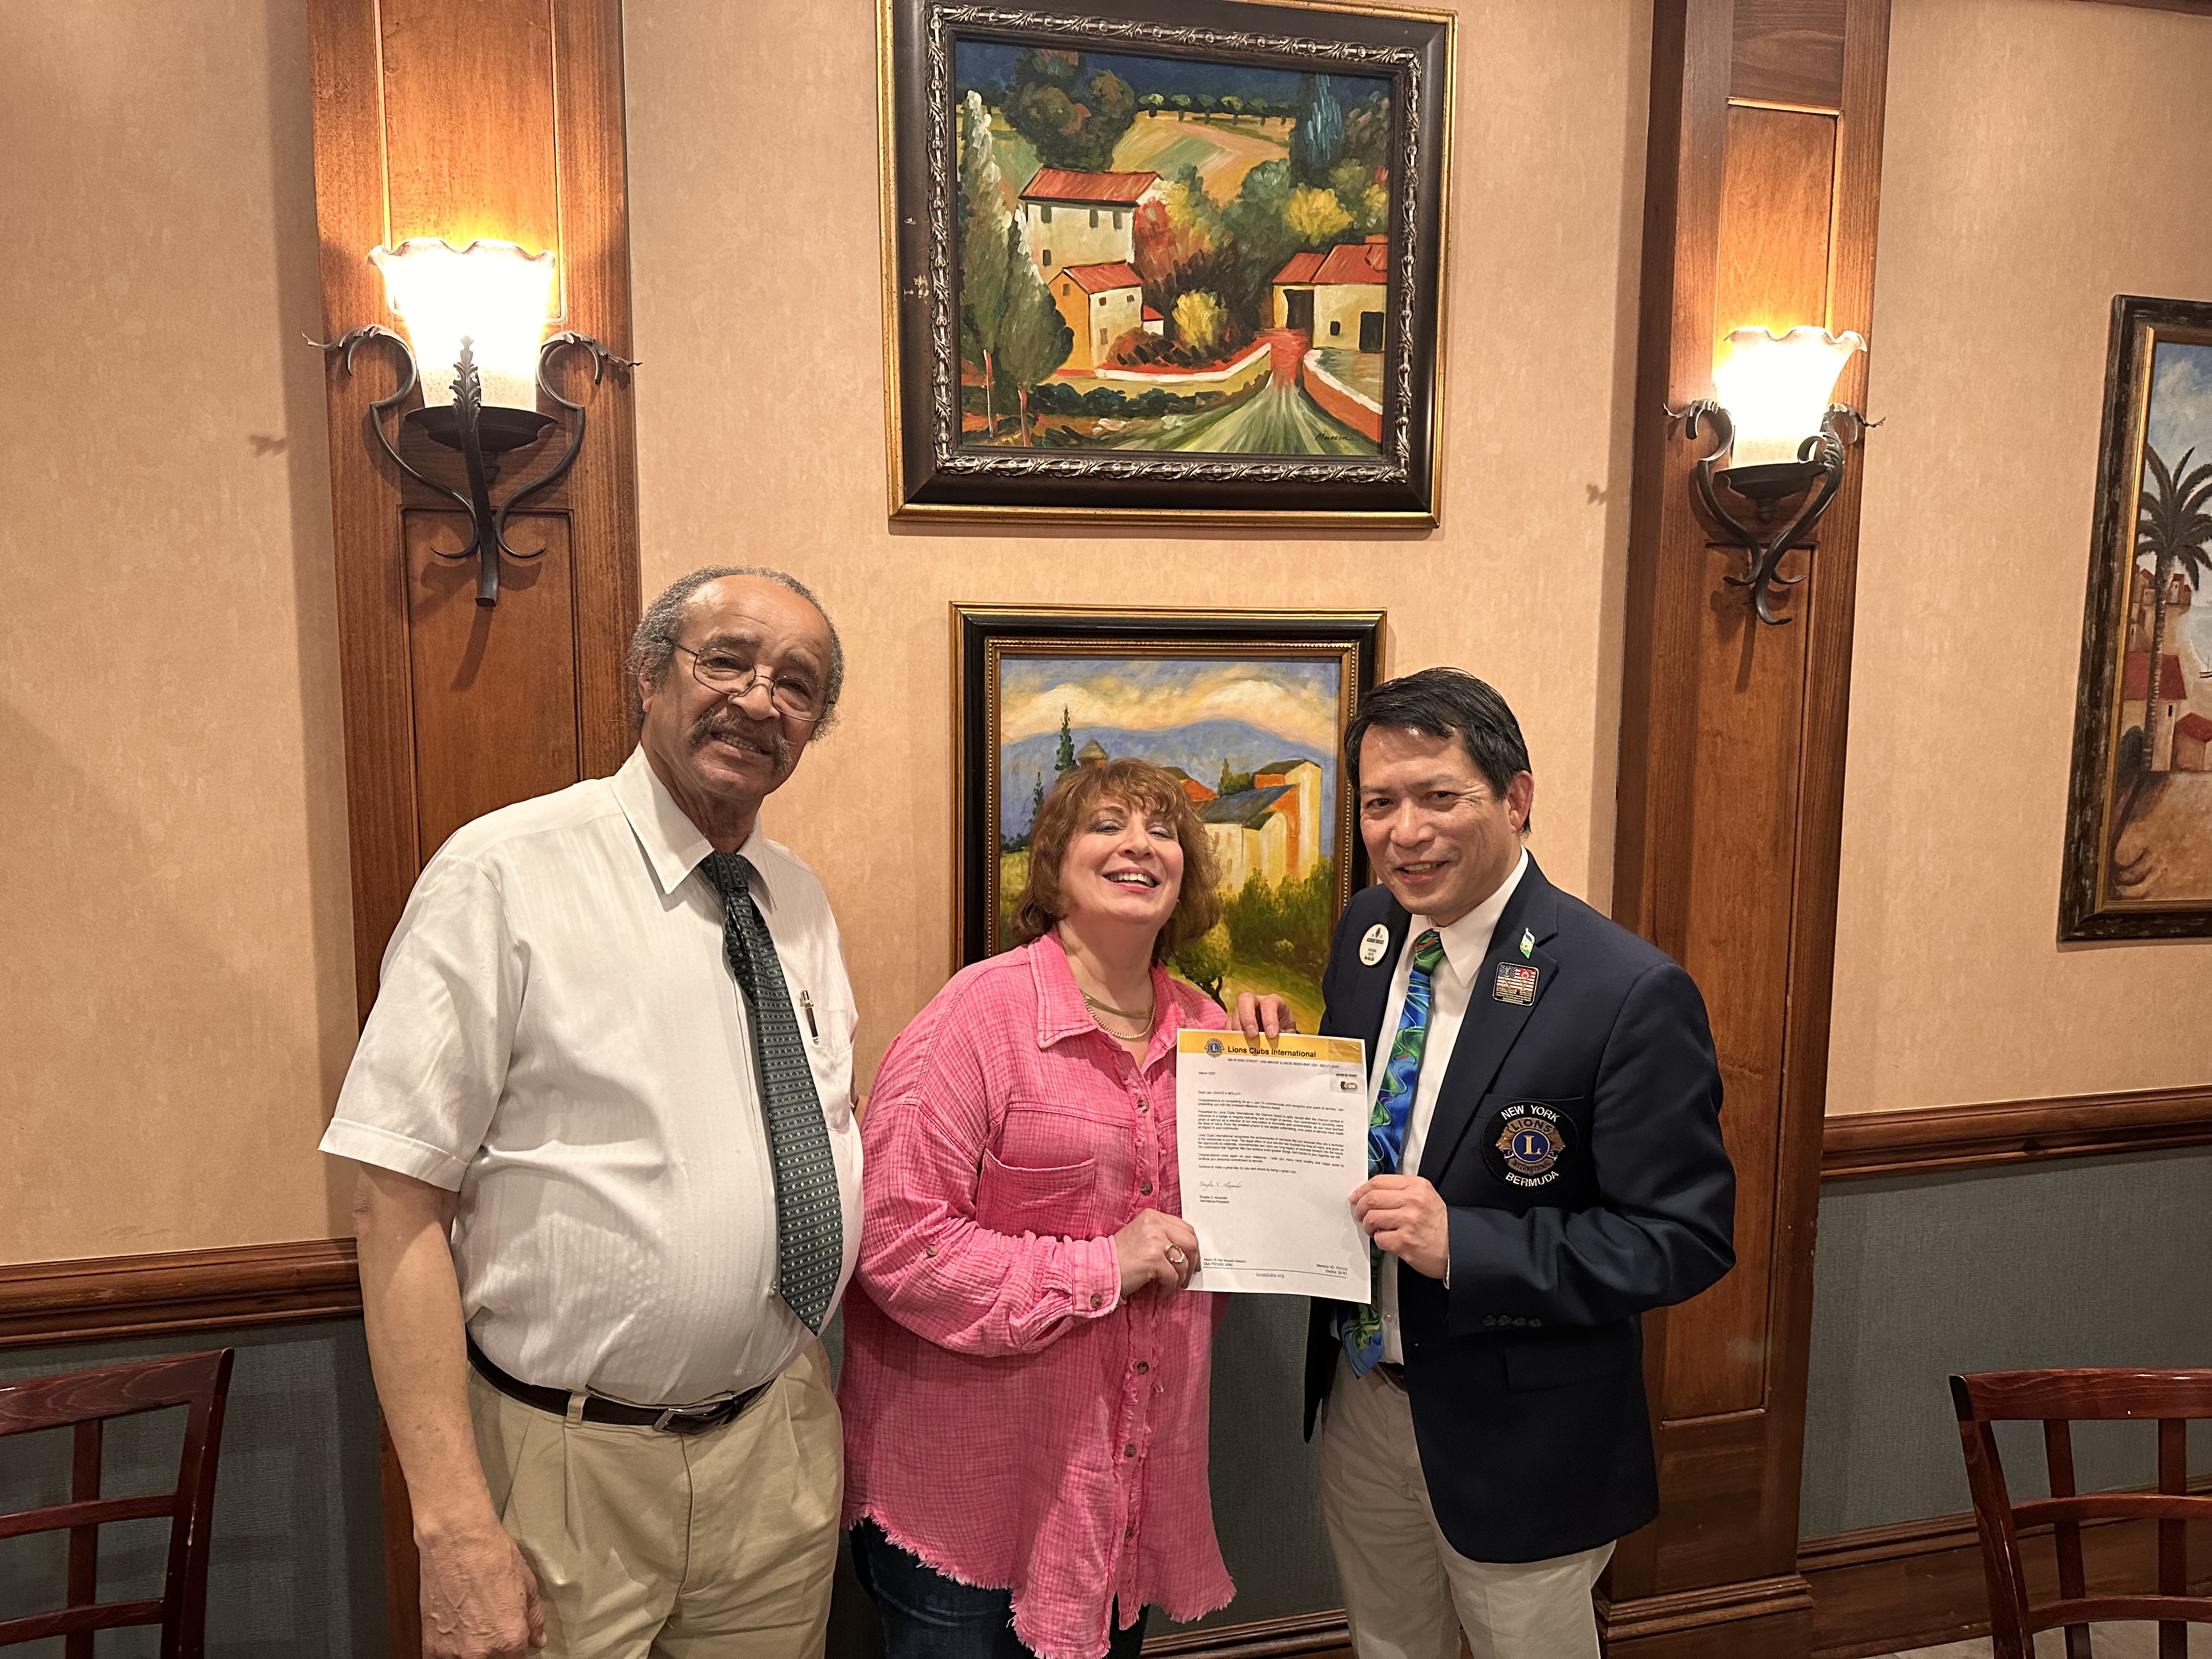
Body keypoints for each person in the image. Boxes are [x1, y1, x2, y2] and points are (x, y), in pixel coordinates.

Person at [320, 566, 860, 1659]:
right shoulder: (504, 874)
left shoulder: (796, 899)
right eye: (727, 661)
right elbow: (394, 1200)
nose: (760, 700)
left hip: (777, 1450)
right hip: (563, 1468)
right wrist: (453, 1526)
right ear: (650, 676)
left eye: (797, 684)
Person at [1301, 667, 1735, 1659]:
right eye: (1380, 803)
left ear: (1516, 797)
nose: (1405, 832)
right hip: (1367, 1398)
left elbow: (1684, 1238)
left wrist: (1469, 1246)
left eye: (1438, 796)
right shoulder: (1369, 933)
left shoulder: (1624, 989)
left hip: (1524, 1438)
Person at [838, 757, 1296, 1659]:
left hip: (1122, 1500)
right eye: (1108, 825)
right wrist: (1102, 1265)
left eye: (1162, 830)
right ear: (1053, 866)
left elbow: (1253, 1235)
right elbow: (896, 1243)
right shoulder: (977, 1017)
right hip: (969, 1505)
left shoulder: (1214, 1038)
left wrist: (1280, 1073)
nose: (1139, 845)